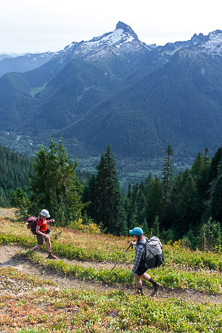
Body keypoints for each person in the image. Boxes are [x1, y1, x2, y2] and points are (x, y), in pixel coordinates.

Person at [129, 227, 161, 296]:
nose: (133, 235)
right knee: (142, 274)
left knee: (137, 278)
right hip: (146, 262)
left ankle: (139, 293)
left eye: (133, 234)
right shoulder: (145, 238)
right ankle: (156, 284)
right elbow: (143, 245)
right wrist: (134, 243)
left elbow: (137, 261)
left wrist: (133, 270)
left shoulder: (139, 248)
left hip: (141, 264)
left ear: (136, 235)